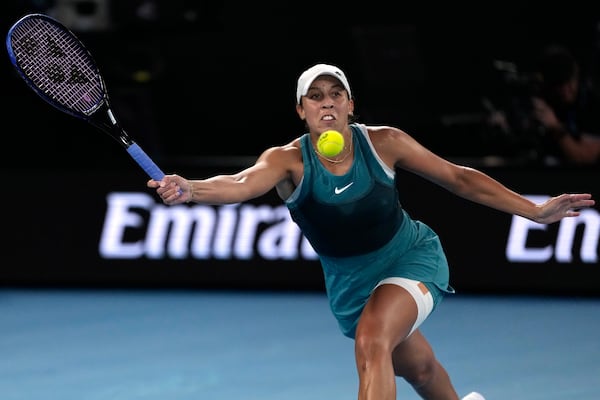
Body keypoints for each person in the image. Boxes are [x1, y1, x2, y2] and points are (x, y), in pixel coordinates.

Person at [147, 63, 595, 400]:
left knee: (372, 339)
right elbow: (241, 184)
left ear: (350, 105)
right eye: (316, 97)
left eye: (336, 94)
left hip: (410, 257)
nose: (327, 103)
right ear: (302, 111)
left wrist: (532, 212)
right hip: (350, 284)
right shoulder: (287, 161)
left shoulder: (384, 142)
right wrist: (191, 189)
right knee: (417, 368)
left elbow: (458, 178)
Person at [529, 44, 600, 165]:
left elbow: (583, 158)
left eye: (569, 82)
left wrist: (555, 127)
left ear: (576, 76)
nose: (566, 91)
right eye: (559, 84)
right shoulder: (543, 102)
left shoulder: (593, 106)